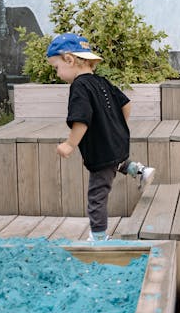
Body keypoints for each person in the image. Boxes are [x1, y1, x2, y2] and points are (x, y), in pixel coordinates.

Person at [46, 33, 155, 241]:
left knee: (97, 194)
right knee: (116, 161)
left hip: (101, 149)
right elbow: (126, 104)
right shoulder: (101, 81)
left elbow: (81, 119)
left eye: (56, 67)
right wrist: (114, 125)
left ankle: (98, 237)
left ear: (69, 59)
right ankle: (141, 170)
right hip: (118, 140)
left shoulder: (79, 86)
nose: (57, 74)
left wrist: (70, 144)